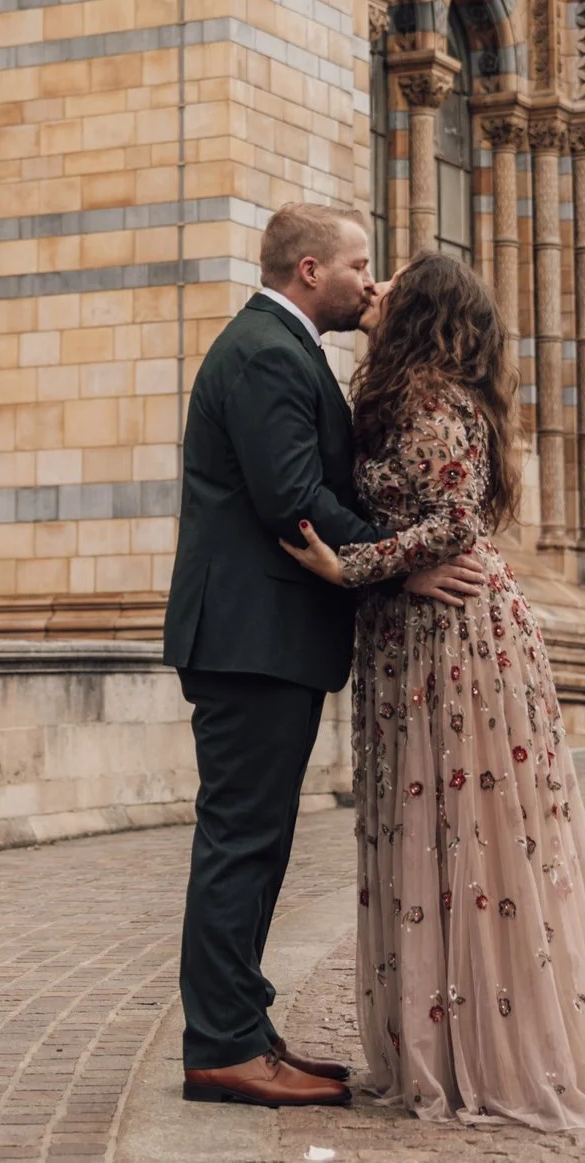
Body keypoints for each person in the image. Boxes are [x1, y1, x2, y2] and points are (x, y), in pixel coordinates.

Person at [278, 254, 585, 1129]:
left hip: (457, 643)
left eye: (391, 282)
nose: (376, 289)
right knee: (427, 833)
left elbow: (456, 523)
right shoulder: (402, 394)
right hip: (410, 636)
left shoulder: (433, 398)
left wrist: (348, 564)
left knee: (471, 838)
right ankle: (447, 1039)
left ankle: (495, 1051)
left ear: (422, 309)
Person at [163, 203, 381, 1109]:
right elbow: (291, 495)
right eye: (359, 265)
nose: (370, 281)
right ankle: (220, 1044)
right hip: (252, 639)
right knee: (241, 843)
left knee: (259, 842)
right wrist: (401, 549)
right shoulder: (263, 351)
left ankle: (245, 1028)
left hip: (269, 639)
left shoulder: (287, 347)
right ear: (307, 270)